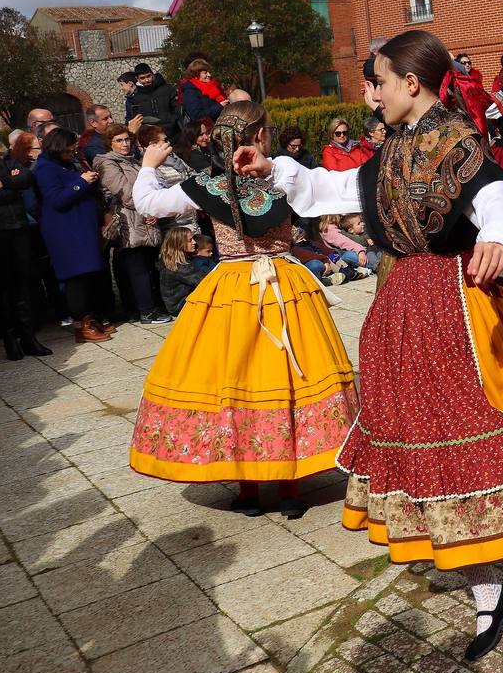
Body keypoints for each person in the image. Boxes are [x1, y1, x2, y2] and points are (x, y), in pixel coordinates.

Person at [234, 28, 503, 662]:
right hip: (398, 312)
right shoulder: (389, 148)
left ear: (411, 82)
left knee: (486, 440)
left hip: (457, 309)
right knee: (424, 451)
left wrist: (502, 240)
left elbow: (499, 203)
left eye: (379, 81)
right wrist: (274, 171)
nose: (372, 92)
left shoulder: (457, 143)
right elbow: (339, 191)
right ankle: (484, 589)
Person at [129, 101, 358, 516]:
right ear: (260, 136)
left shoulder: (205, 184)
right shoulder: (282, 175)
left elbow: (147, 204)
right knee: (288, 376)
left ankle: (248, 486)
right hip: (284, 284)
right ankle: (289, 486)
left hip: (233, 288)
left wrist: (147, 164)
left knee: (236, 380)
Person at [31, 128, 111, 343]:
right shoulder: (45, 168)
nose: (72, 153)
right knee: (76, 276)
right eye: (68, 150)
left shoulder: (66, 164)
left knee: (88, 276)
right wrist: (81, 182)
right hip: (65, 231)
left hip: (80, 227)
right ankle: (82, 323)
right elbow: (56, 199)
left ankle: (92, 318)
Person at [95, 124, 169, 324]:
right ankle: (146, 311)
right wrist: (149, 205)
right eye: (118, 140)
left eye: (127, 139)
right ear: (109, 143)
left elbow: (154, 185)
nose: (124, 144)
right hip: (128, 220)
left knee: (147, 265)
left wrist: (154, 207)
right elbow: (125, 193)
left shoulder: (135, 161)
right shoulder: (107, 163)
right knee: (136, 267)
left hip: (145, 218)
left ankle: (147, 307)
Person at [0, 137, 52, 359]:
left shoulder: (6, 162)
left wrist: (4, 182)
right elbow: (14, 186)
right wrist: (11, 184)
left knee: (23, 282)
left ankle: (28, 336)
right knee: (3, 286)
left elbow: (27, 177)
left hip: (18, 228)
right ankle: (9, 338)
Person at [157, 226, 207, 316]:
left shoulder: (180, 260)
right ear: (179, 244)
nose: (194, 242)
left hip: (179, 302)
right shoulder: (178, 266)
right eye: (190, 240)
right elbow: (203, 281)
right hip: (180, 306)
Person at [128, 62, 183, 138]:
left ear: (152, 74)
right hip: (152, 136)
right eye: (142, 78)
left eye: (148, 76)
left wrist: (171, 123)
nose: (146, 80)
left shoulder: (168, 89)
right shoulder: (137, 98)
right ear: (137, 79)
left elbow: (177, 110)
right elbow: (138, 119)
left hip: (174, 133)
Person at [181, 58, 227, 126]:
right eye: (205, 73)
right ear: (196, 74)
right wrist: (220, 106)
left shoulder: (212, 87)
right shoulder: (190, 91)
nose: (209, 75)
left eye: (209, 72)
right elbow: (196, 115)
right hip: (206, 130)